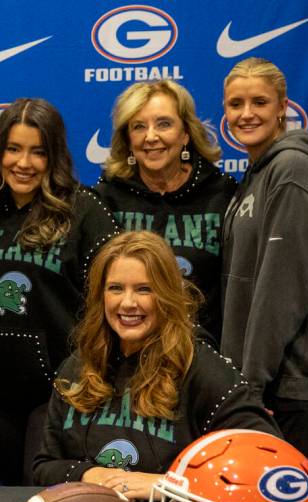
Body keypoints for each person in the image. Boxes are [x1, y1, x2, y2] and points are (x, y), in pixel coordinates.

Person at [33, 232, 278, 499]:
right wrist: (86, 474)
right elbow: (44, 467)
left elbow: (268, 465)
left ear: (167, 294)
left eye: (144, 289)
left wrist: (170, 485)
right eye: (115, 288)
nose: (128, 303)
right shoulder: (78, 367)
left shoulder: (201, 369)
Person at [0, 98, 119, 485]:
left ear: (55, 156)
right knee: (11, 490)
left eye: (38, 152)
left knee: (41, 493)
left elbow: (111, 301)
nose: (23, 163)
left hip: (57, 390)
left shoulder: (84, 211)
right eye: (13, 149)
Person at [221, 57, 308, 483]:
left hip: (293, 389)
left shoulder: (293, 170)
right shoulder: (257, 173)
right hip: (266, 386)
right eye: (235, 103)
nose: (246, 114)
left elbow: (284, 288)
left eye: (259, 102)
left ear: (282, 105)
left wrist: (251, 383)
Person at [95, 80, 235, 341]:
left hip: (203, 356)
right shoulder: (105, 198)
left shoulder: (223, 194)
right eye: (139, 127)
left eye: (164, 124)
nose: (151, 137)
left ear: (185, 134)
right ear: (127, 139)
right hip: (126, 354)